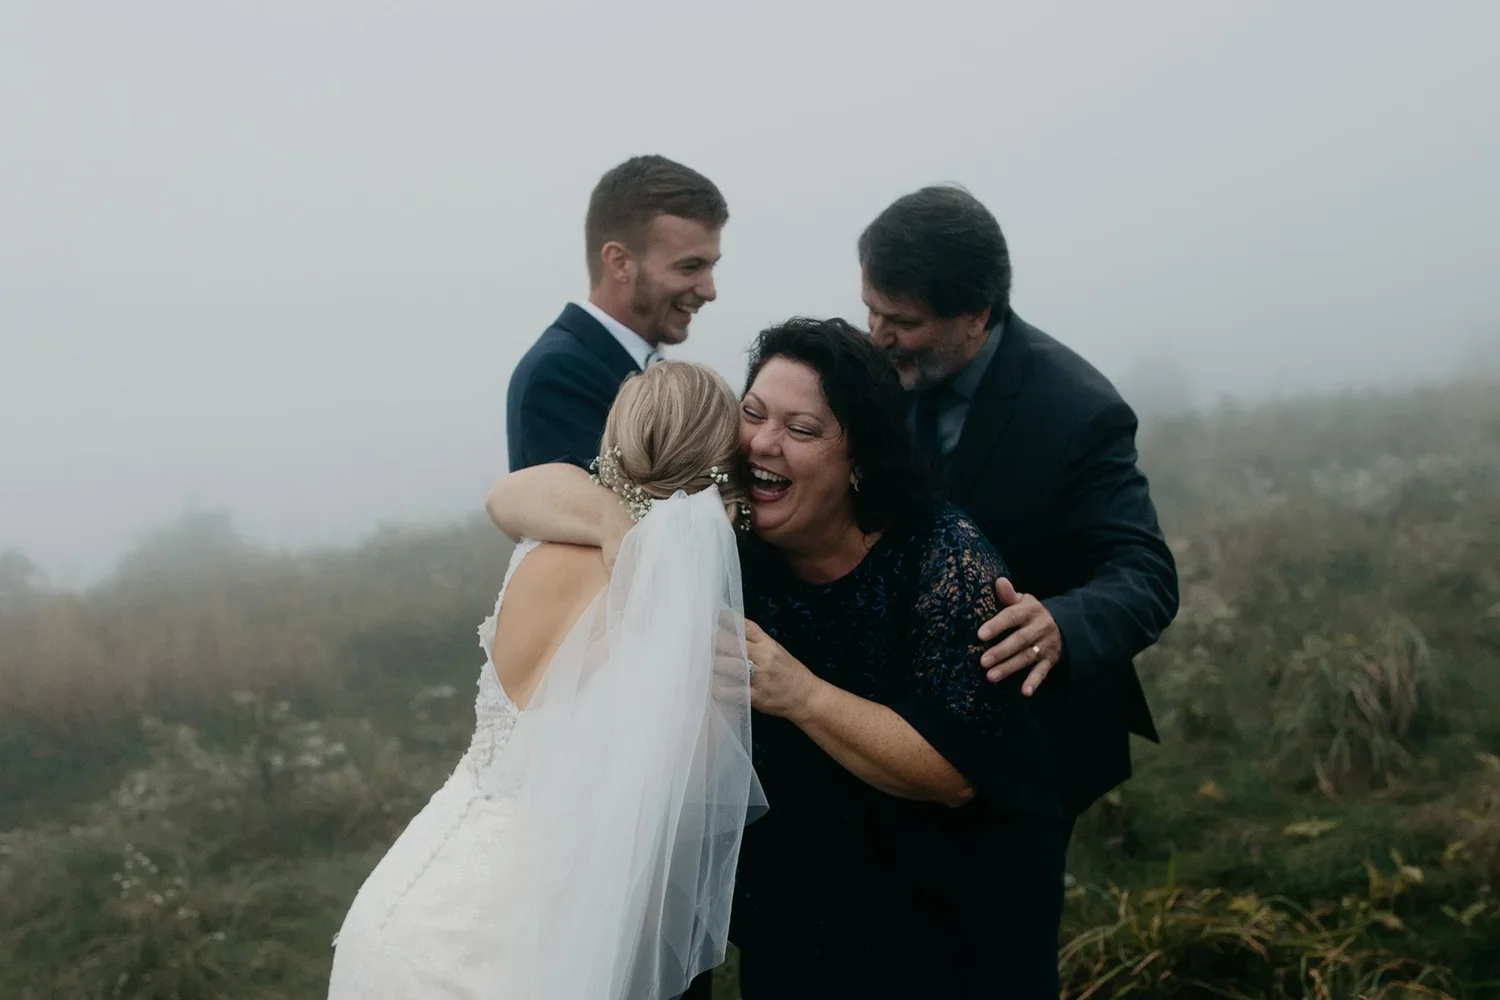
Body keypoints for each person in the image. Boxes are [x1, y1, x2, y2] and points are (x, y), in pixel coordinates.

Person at [485, 318, 1068, 997]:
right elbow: (512, 496)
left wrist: (802, 694)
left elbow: (953, 773)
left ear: (861, 460)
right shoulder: (726, 533)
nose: (762, 442)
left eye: (802, 429)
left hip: (943, 906)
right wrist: (618, 527)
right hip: (796, 907)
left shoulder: (942, 557)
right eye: (754, 413)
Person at [328, 361, 762, 1000]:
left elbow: (510, 496)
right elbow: (650, 883)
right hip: (526, 955)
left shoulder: (540, 545)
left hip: (406, 911)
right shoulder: (685, 630)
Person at [858, 184, 1179, 820]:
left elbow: (1145, 574)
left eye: (904, 323)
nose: (878, 335)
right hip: (896, 731)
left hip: (1032, 744)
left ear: (977, 314)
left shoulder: (1080, 412)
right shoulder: (873, 373)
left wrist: (1059, 624)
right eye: (871, 310)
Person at [506, 154, 728, 473]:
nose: (710, 291)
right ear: (619, 262)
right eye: (690, 267)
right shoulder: (558, 378)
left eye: (711, 267)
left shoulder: (645, 366)